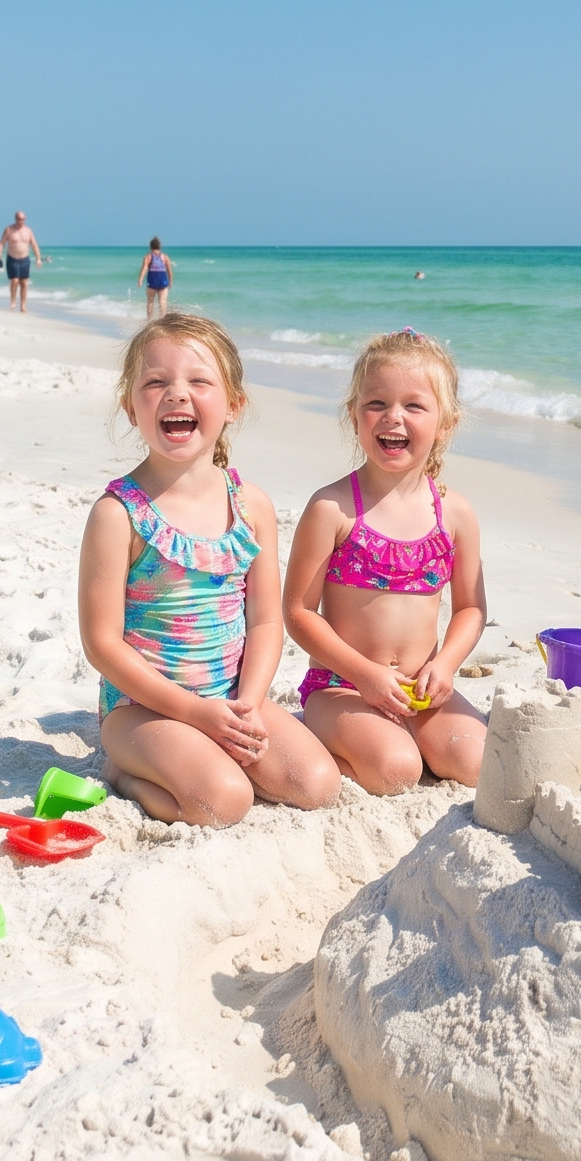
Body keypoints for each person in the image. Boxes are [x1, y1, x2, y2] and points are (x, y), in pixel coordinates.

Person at [77, 313, 341, 825]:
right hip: (141, 709)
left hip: (229, 697)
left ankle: (207, 747)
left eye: (199, 381)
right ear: (131, 408)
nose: (177, 394)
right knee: (223, 801)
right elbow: (101, 645)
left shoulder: (251, 506)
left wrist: (249, 703)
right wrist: (196, 714)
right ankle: (124, 773)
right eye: (155, 382)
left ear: (233, 405)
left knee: (317, 785)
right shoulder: (119, 515)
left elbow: (266, 621)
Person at [282, 330, 490, 793]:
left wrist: (447, 665)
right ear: (354, 414)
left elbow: (472, 609)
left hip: (423, 689)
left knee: (478, 764)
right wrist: (365, 674)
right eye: (376, 403)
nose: (393, 416)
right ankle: (328, 736)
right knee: (397, 770)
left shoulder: (454, 514)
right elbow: (297, 613)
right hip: (342, 685)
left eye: (414, 406)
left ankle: (406, 739)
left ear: (446, 423)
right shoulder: (332, 509)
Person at [0, 211, 42, 312]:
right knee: (15, 280)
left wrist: (38, 258)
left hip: (24, 259)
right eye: (18, 219)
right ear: (15, 219)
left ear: (25, 219)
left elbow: (34, 245)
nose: (20, 221)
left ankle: (23, 305)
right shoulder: (9, 230)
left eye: (22, 219)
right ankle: (13, 301)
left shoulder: (28, 231)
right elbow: (2, 243)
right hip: (12, 258)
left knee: (24, 282)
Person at [138, 237, 174, 318]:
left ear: (150, 246)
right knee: (162, 302)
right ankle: (162, 320)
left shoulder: (148, 257)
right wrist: (171, 281)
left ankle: (149, 320)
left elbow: (144, 269)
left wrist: (140, 280)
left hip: (152, 281)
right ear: (159, 246)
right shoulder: (164, 257)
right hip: (163, 281)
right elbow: (169, 270)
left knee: (150, 302)